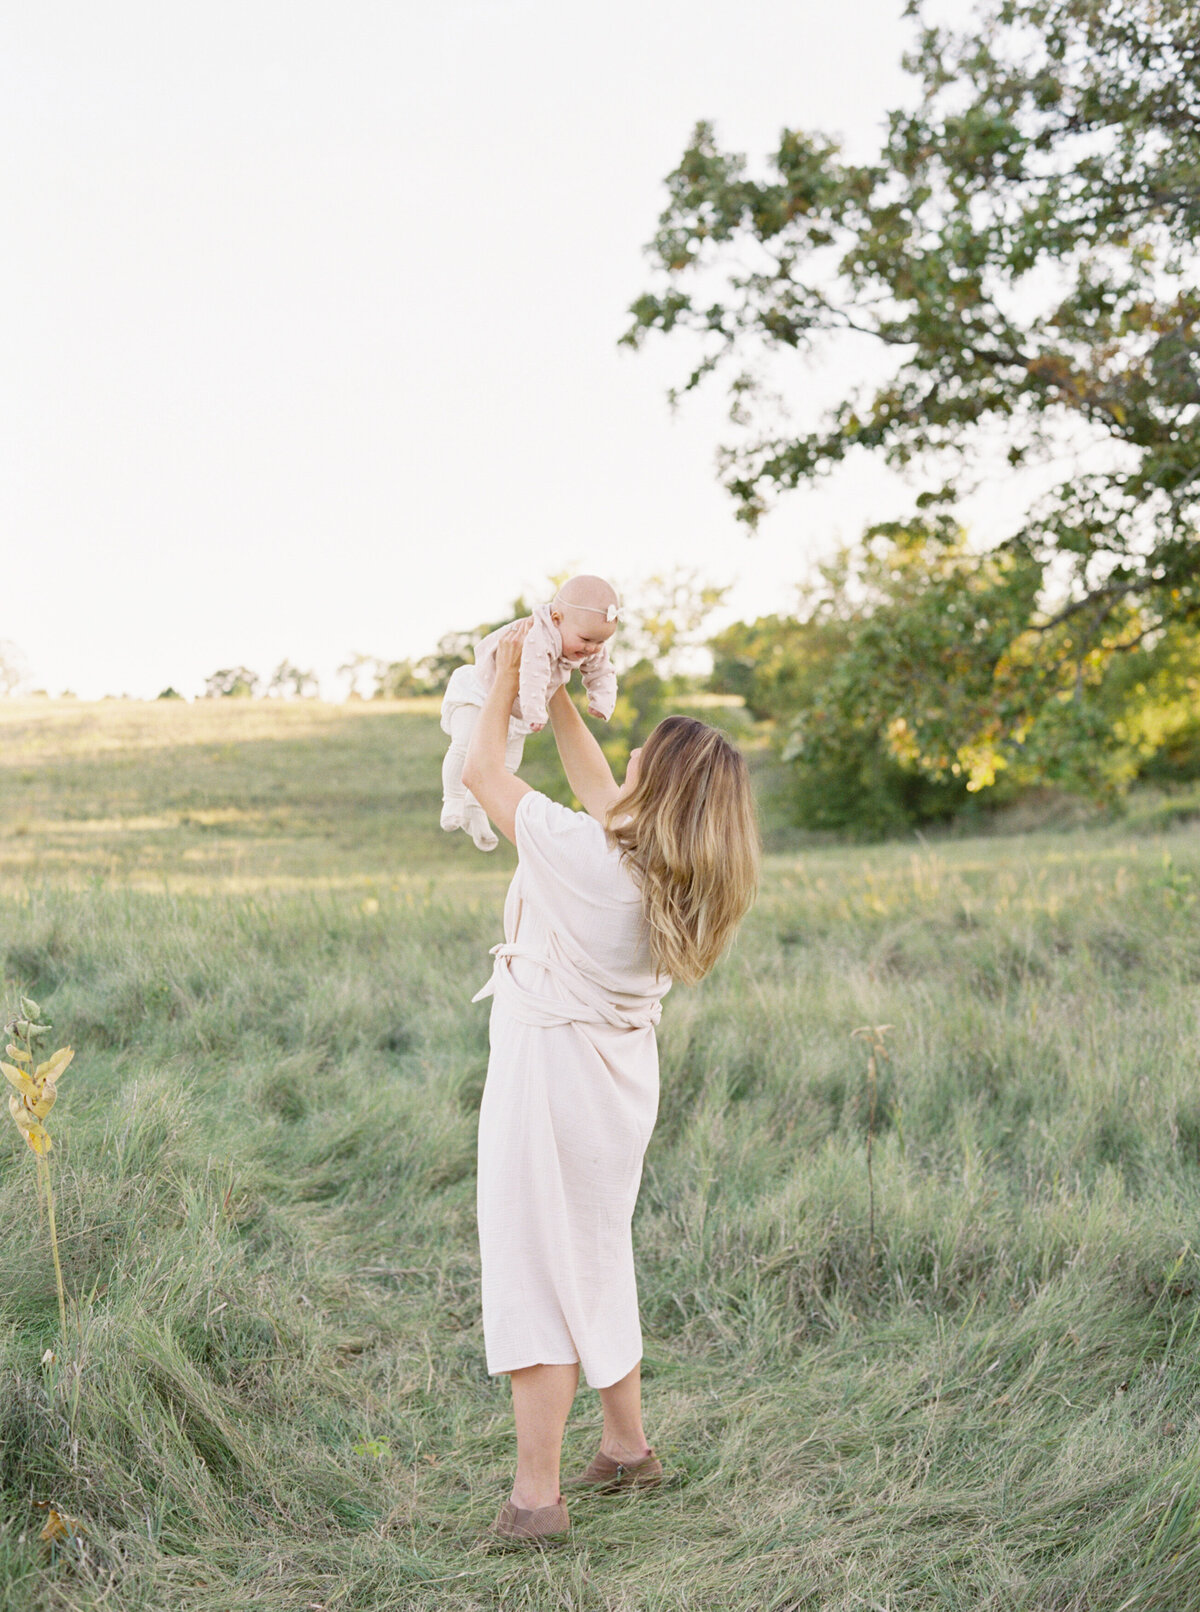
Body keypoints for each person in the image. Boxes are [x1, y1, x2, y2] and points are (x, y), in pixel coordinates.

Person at [461, 621, 759, 1545]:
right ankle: (626, 1449)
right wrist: (552, 692)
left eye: (643, 756)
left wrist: (507, 667)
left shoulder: (589, 860)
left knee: (535, 1269)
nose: (624, 756)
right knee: (594, 1250)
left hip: (550, 1078)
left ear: (658, 791)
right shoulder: (666, 868)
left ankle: (535, 1498)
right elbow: (599, 785)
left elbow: (480, 774)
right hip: (616, 1086)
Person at [439, 575, 621, 852]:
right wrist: (536, 711)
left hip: (515, 706)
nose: (591, 649)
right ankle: (452, 799)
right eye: (586, 640)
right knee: (465, 747)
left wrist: (602, 701)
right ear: (557, 619)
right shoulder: (539, 635)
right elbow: (534, 677)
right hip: (481, 693)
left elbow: (602, 671)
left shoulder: (589, 641)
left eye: (599, 642)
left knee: (506, 766)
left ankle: (476, 810)